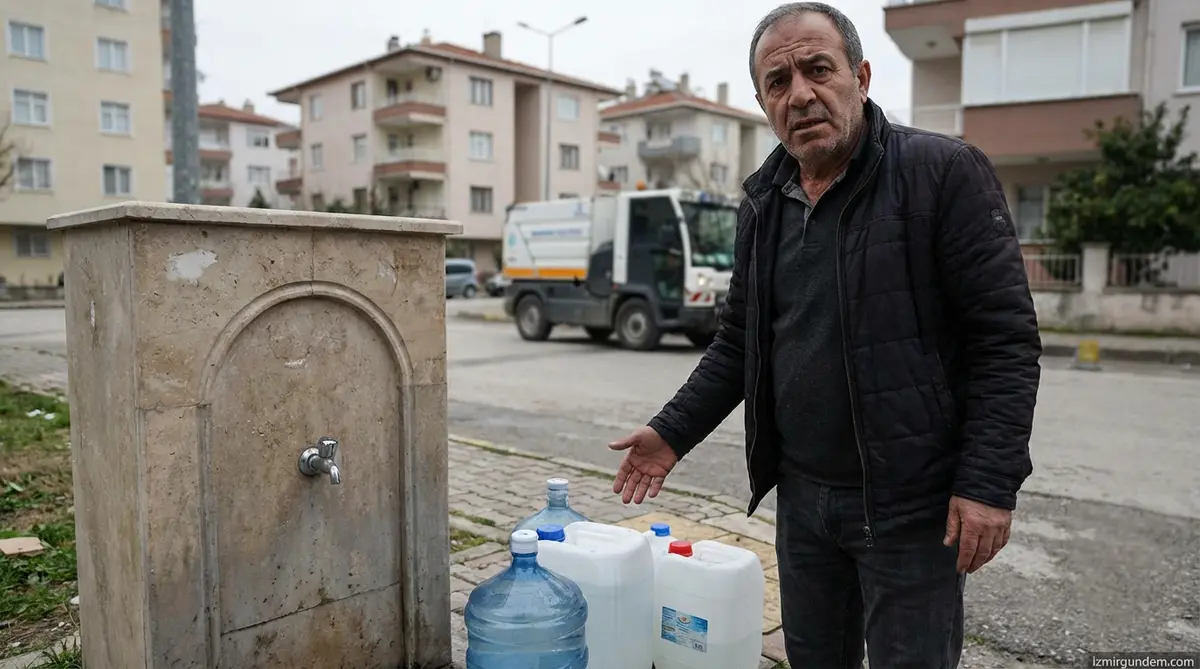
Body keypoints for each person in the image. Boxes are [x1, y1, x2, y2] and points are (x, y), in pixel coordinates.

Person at [608, 2, 1042, 667]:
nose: (801, 94)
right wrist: (671, 433)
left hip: (911, 507)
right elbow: (740, 342)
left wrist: (987, 482)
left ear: (861, 76)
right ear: (763, 103)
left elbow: (1003, 342)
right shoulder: (764, 202)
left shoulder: (942, 174)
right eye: (778, 84)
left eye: (818, 69)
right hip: (805, 502)